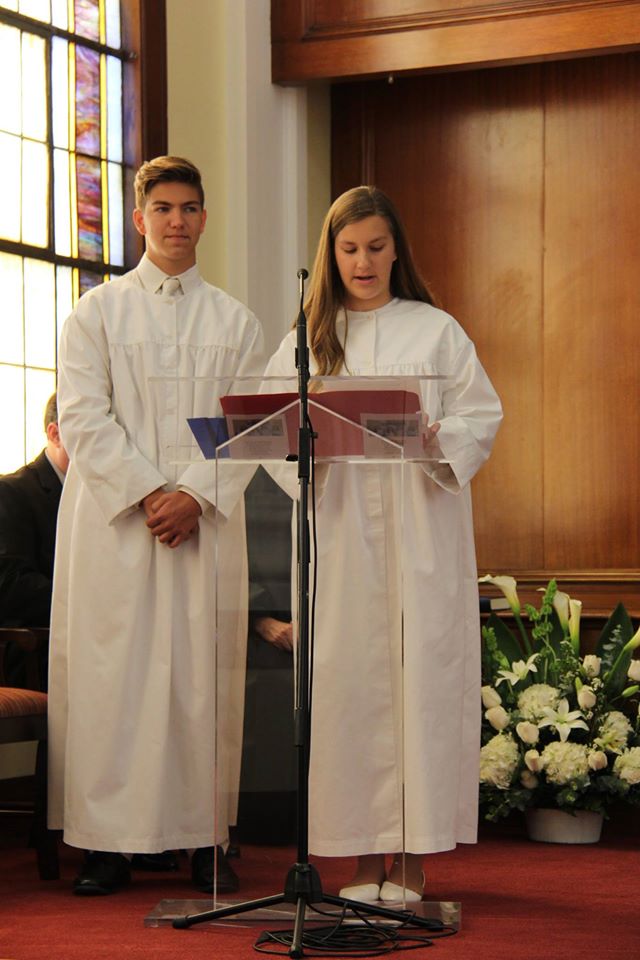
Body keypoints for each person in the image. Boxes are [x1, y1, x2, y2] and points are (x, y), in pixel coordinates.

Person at [264, 185, 503, 902]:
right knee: (353, 690)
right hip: (343, 533)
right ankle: (363, 859)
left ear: (397, 249)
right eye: (349, 249)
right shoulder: (309, 338)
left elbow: (480, 415)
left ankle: (412, 858)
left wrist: (434, 438)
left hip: (418, 524)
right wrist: (308, 445)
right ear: (330, 255)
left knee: (418, 684)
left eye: (375, 247)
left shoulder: (435, 330)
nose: (362, 262)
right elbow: (271, 429)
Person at [48, 156, 264, 896]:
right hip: (117, 528)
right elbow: (83, 415)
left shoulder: (235, 322)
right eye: (163, 208)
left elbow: (248, 424)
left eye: (190, 208)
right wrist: (149, 492)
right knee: (114, 680)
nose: (177, 221)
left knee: (201, 681)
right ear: (140, 219)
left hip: (202, 525)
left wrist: (196, 495)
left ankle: (205, 838)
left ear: (205, 218)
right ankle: (106, 845)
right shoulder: (96, 313)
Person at [0, 394, 68, 685]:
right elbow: (10, 584)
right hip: (35, 647)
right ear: (55, 434)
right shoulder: (12, 491)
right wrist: (86, 601)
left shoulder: (102, 496)